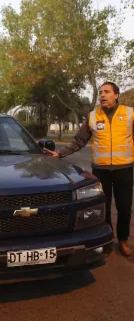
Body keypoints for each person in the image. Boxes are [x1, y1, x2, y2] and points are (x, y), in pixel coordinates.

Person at [44, 82, 133, 257]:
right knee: (103, 206)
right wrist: (60, 153)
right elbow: (79, 140)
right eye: (100, 92)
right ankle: (107, 239)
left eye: (107, 92)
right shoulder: (93, 116)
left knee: (124, 207)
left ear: (116, 94)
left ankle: (122, 240)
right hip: (101, 170)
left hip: (124, 169)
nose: (102, 95)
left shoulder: (129, 114)